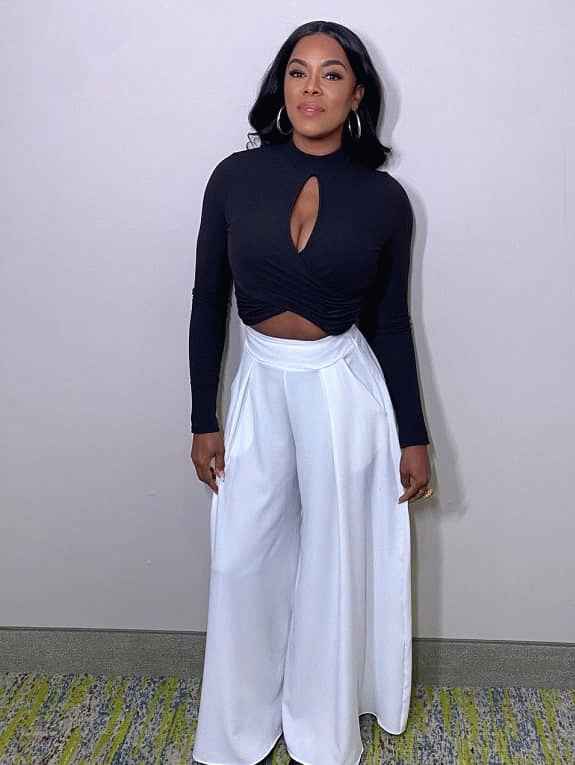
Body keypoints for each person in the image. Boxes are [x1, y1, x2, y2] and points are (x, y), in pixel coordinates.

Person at [189, 19, 434, 765]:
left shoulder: (384, 198)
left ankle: (321, 730)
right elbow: (208, 299)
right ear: (281, 85)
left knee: (332, 564)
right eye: (298, 71)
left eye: (332, 75)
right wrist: (202, 417)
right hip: (260, 381)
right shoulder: (234, 178)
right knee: (241, 557)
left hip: (342, 388)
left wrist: (414, 434)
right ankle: (238, 727)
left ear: (357, 94)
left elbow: (390, 322)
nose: (312, 89)